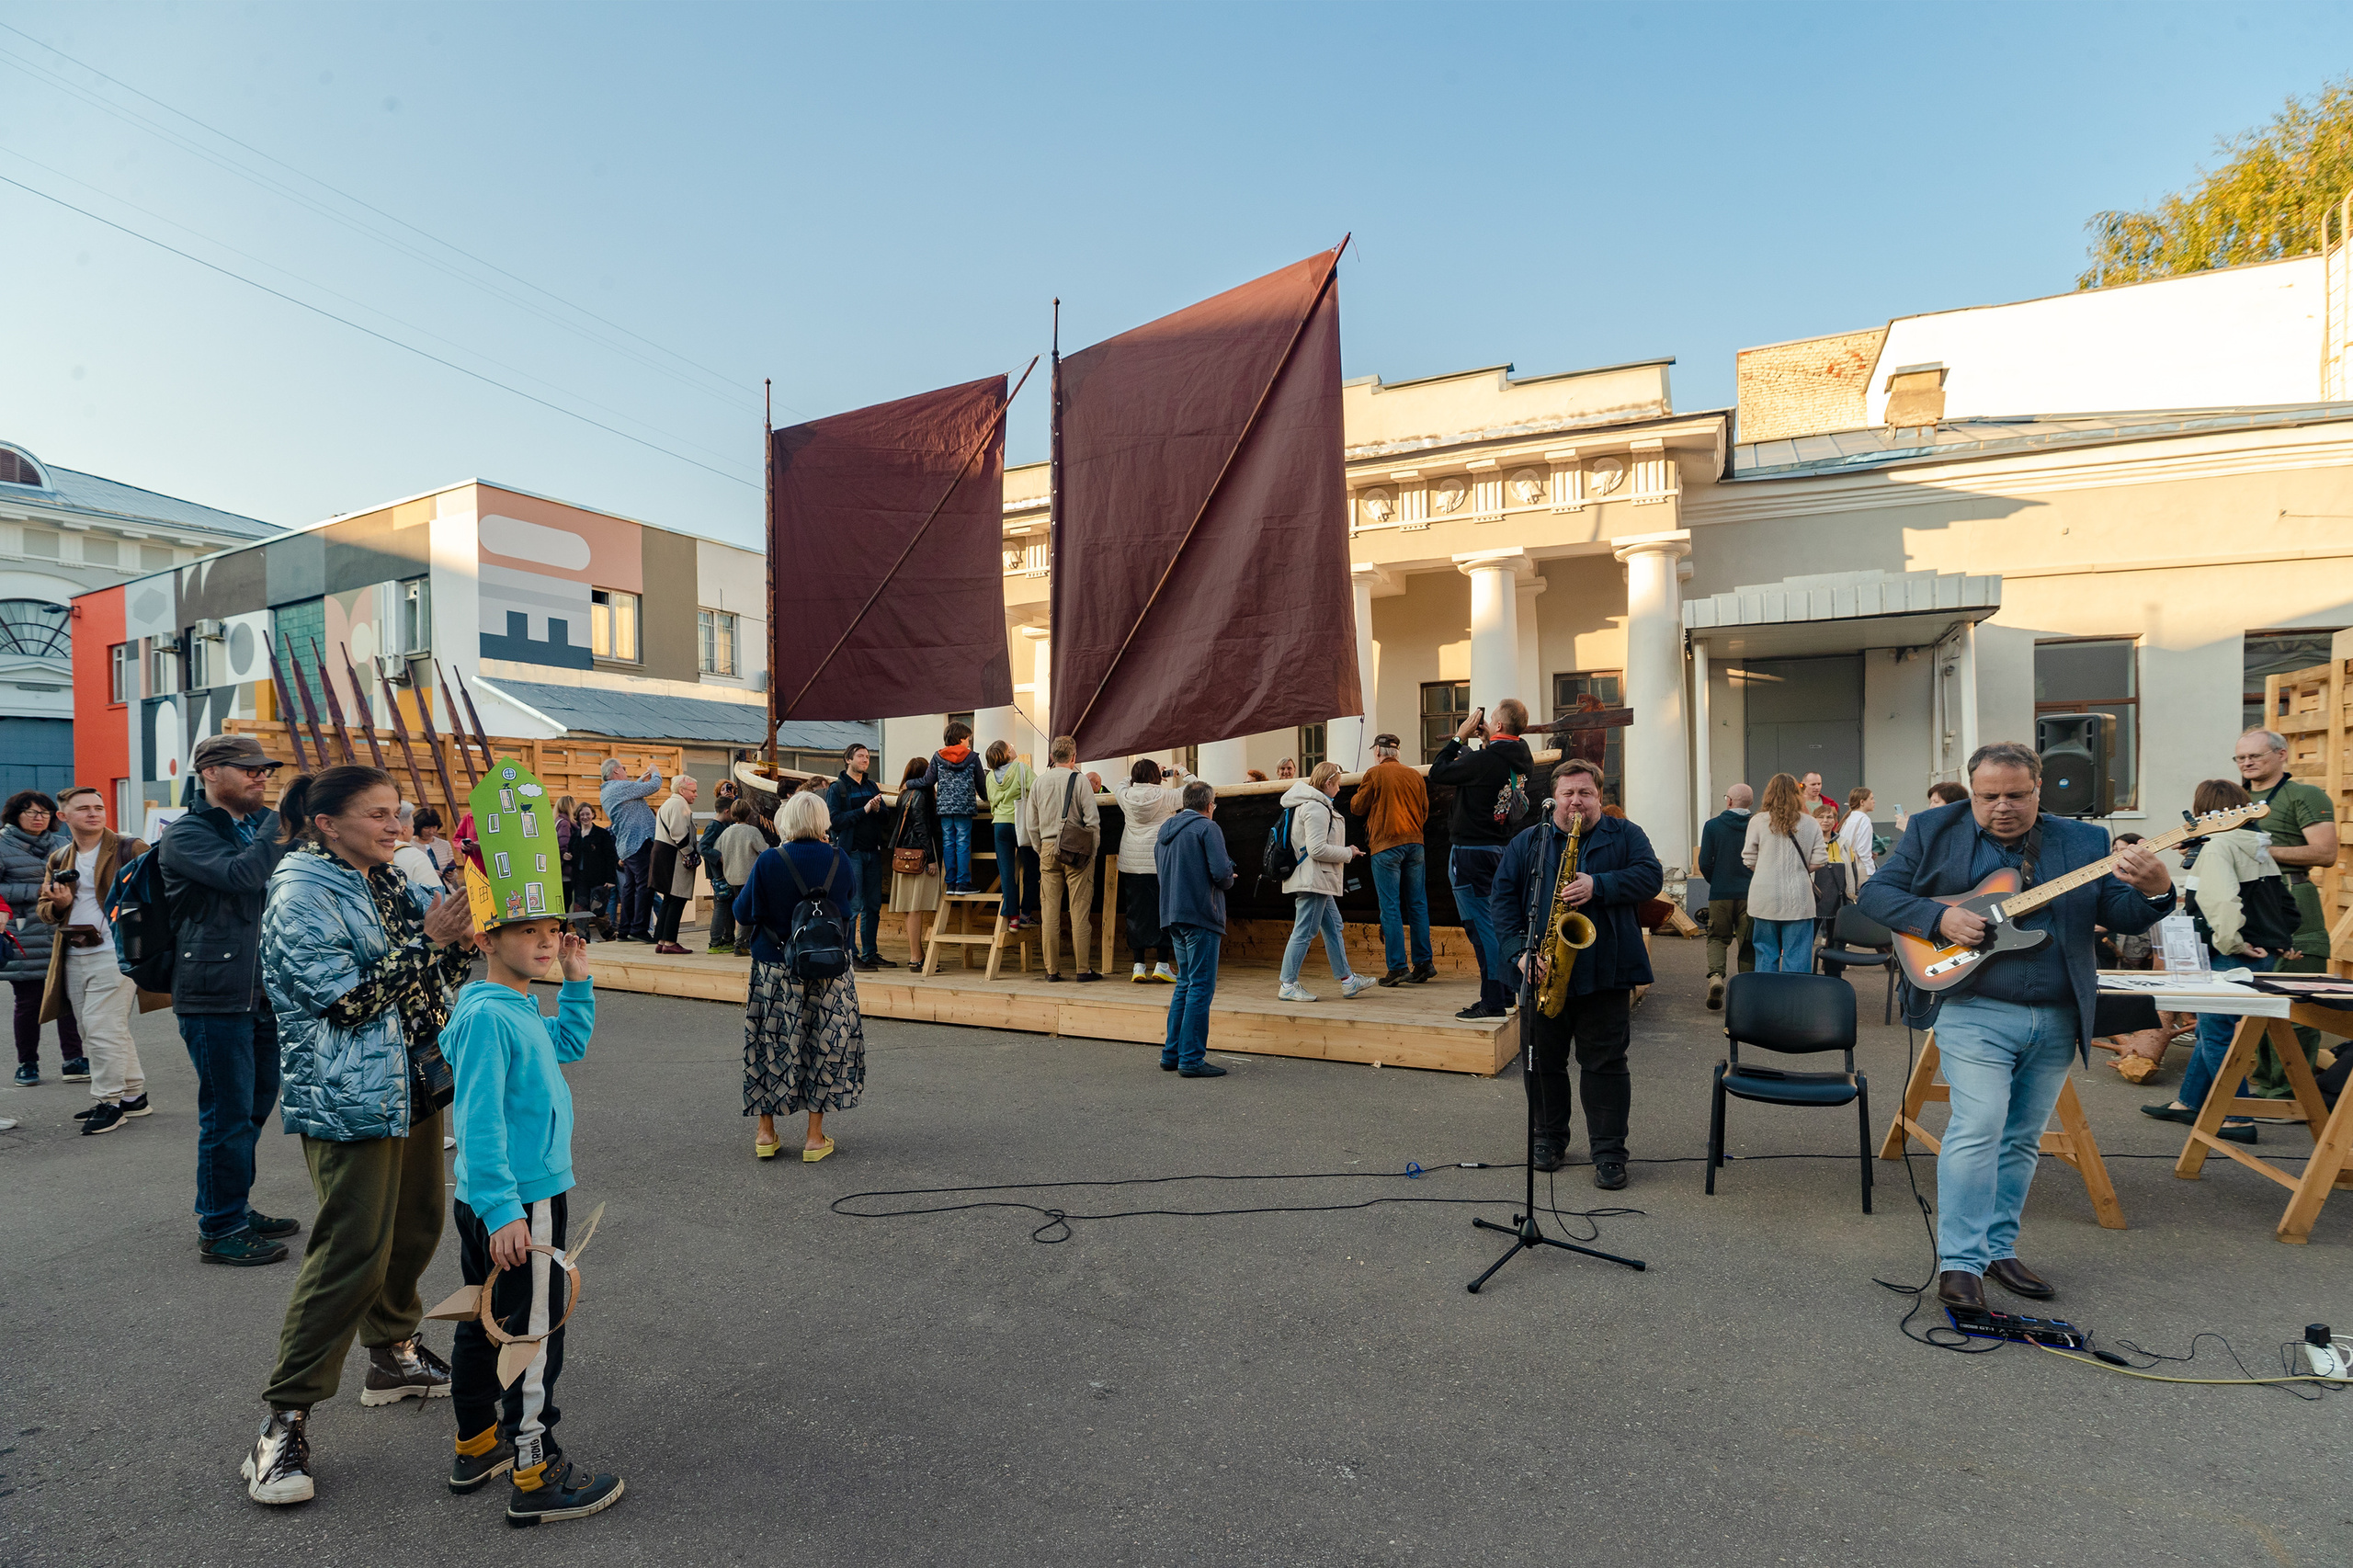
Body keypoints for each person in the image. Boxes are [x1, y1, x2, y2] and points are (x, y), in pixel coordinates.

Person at [1859, 742, 2175, 1312]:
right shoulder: (1933, 829)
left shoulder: (2083, 842)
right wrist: (1939, 917)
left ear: (2038, 789)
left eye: (2015, 795)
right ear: (1972, 791)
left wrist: (2156, 890)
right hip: (1973, 1007)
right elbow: (1876, 893)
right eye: (1988, 796)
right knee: (1978, 1125)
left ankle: (1997, 1249)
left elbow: (2120, 912)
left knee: (2022, 1138)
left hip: (2056, 1013)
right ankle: (1960, 1263)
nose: (2001, 806)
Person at [241, 764, 479, 1506]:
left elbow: (428, 978)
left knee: (416, 1225)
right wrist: (431, 944)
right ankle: (283, 1420)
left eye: (396, 812)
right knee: (351, 1249)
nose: (395, 826)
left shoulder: (387, 879)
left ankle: (393, 1353)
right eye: (378, 815)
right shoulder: (300, 892)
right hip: (350, 1093)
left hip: (413, 1081)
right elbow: (343, 1003)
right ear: (327, 824)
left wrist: (461, 940)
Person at [443, 903, 625, 1525]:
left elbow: (569, 1042)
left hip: (498, 1197)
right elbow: (476, 1119)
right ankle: (535, 1470)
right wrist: (503, 1211)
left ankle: (478, 1443)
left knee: (486, 1317)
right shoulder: (490, 1018)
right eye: (529, 932)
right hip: (520, 1201)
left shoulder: (509, 1006)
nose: (547, 943)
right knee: (534, 1332)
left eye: (553, 932)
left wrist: (576, 978)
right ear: (486, 939)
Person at [1490, 758, 1665, 1188]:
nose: (1576, 801)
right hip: (1541, 971)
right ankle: (1548, 1138)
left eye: (1585, 793)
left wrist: (1598, 885)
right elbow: (1502, 901)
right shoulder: (1528, 842)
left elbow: (1651, 877)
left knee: (1606, 1065)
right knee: (1542, 1064)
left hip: (1606, 972)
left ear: (1599, 797)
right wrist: (1519, 953)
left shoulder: (1626, 835)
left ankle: (1609, 1152)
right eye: (1568, 793)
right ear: (1554, 798)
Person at [161, 733, 301, 1266]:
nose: (261, 777)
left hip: (263, 991)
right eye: (249, 769)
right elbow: (242, 876)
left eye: (265, 770)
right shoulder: (188, 833)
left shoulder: (255, 827)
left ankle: (234, 1204)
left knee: (254, 1108)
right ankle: (220, 1227)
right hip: (213, 995)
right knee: (227, 1114)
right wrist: (278, 823)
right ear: (211, 773)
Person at [2141, 778, 2292, 1143]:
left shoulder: (2219, 847)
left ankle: (2238, 1117)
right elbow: (2283, 902)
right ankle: (2189, 1102)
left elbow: (2221, 903)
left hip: (2230, 954)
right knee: (2212, 1030)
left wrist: (2234, 943)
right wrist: (2282, 941)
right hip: (2260, 953)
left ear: (2202, 811)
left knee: (2215, 1033)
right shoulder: (2258, 846)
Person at [735, 790, 865, 1162]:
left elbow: (743, 913)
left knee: (770, 1043)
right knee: (824, 1043)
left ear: (787, 821)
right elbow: (849, 902)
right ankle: (814, 1137)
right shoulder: (839, 859)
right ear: (823, 821)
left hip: (775, 967)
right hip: (829, 968)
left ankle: (766, 1133)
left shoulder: (770, 860)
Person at [34, 785, 154, 1134]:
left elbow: (159, 897)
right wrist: (60, 904)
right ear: (63, 816)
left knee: (102, 1027)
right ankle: (133, 1095)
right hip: (74, 951)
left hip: (118, 951)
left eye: (98, 807)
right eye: (84, 808)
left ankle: (109, 1102)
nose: (94, 813)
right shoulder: (60, 858)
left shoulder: (131, 848)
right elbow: (43, 909)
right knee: (97, 1028)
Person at [2232, 726, 2340, 1102]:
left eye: (2255, 756)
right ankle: (2266, 1085)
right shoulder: (2236, 798)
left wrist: (2259, 850)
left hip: (2292, 898)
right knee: (2255, 996)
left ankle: (2292, 1092)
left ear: (2281, 755)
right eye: (2240, 757)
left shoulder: (2304, 795)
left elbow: (2325, 853)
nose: (2246, 763)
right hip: (2246, 901)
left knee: (2297, 998)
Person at [1428, 698, 1539, 1020]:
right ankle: (1506, 991)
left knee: (1481, 927)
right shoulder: (1523, 758)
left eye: (1492, 719)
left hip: (1470, 852)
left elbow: (1439, 771)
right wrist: (1488, 741)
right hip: (1501, 849)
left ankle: (1492, 1000)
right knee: (1499, 923)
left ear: (1499, 724)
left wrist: (1458, 737)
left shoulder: (1484, 760)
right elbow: (1496, 767)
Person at [4, 790, 84, 1085]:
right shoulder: (2, 845)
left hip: (63, 929)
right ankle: (27, 1063)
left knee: (69, 998)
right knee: (29, 1003)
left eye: (45, 813)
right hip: (25, 933)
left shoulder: (64, 844)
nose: (39, 818)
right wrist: (36, 891)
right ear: (16, 815)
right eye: (31, 812)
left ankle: (74, 1060)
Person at [1277, 761, 1372, 1003]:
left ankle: (1348, 980)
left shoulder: (1308, 804)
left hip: (1316, 878)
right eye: (1337, 784)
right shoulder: (1316, 807)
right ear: (1328, 783)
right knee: (1304, 931)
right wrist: (1348, 852)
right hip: (1314, 879)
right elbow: (1317, 849)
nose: (1339, 789)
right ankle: (1287, 984)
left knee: (1333, 926)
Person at [1156, 780, 1234, 1076]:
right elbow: (1221, 873)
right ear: (1209, 805)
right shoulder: (1207, 828)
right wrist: (1229, 876)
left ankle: (1172, 1054)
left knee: (1185, 983)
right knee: (1200, 986)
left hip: (1172, 913)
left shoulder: (1166, 829)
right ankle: (1191, 1059)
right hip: (1201, 913)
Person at [1352, 733, 1434, 988]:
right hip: (1415, 843)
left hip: (1386, 845)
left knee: (1390, 907)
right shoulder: (1414, 775)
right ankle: (1424, 963)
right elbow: (1424, 811)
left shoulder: (1374, 774)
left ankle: (1398, 967)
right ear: (1397, 752)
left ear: (1378, 752)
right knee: (1418, 904)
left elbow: (1357, 807)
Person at [1026, 735, 1102, 983]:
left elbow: (1031, 824)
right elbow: (1092, 822)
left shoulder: (1039, 782)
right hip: (1076, 851)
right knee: (1079, 912)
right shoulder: (1079, 781)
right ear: (1074, 757)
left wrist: (1040, 849)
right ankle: (1083, 969)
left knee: (1049, 914)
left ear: (1051, 757)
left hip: (1048, 848)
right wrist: (1092, 852)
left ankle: (1051, 971)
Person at [1741, 773, 1826, 974]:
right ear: (1797, 794)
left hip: (1764, 897)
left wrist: (1767, 869)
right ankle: (1795, 992)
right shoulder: (1810, 823)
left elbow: (1749, 859)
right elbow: (1820, 859)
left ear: (1769, 794)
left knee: (1765, 951)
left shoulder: (1758, 821)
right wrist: (1798, 869)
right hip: (1800, 898)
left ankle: (1767, 992)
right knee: (1798, 953)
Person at [1115, 759, 1187, 983]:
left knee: (1135, 913)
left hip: (1132, 864)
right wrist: (1181, 771)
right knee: (1162, 913)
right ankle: (1162, 965)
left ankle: (1138, 966)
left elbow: (1120, 784)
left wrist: (1139, 776)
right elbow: (1200, 789)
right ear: (1157, 776)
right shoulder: (1167, 797)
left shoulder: (1125, 795)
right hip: (1159, 863)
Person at [825, 744, 893, 971]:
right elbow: (834, 821)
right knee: (853, 906)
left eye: (868, 757)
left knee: (873, 905)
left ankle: (870, 953)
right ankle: (851, 954)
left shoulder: (872, 785)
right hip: (851, 853)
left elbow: (885, 818)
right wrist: (863, 810)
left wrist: (878, 809)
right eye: (861, 756)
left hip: (873, 851)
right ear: (848, 759)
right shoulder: (838, 788)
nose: (865, 760)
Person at [1695, 783, 1756, 1009]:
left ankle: (1716, 977)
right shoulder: (1758, 825)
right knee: (1748, 943)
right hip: (1751, 894)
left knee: (1717, 938)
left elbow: (1704, 862)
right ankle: (1747, 991)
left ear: (1729, 801)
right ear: (1750, 803)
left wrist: (1717, 880)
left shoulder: (1713, 826)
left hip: (1720, 893)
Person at [913, 722, 985, 893]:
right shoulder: (972, 757)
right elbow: (981, 785)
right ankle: (963, 883)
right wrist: (988, 798)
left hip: (945, 808)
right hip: (964, 808)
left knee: (948, 843)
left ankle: (950, 884)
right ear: (961, 739)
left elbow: (928, 781)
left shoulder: (938, 757)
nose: (968, 742)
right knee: (962, 843)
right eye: (967, 739)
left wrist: (909, 783)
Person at [887, 756, 942, 971]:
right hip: (919, 856)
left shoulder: (904, 794)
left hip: (904, 855)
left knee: (910, 909)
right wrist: (932, 859)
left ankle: (917, 955)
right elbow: (921, 827)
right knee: (915, 908)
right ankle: (916, 957)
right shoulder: (921, 795)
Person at [598, 759, 663, 942]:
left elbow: (631, 794)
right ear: (616, 770)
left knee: (630, 888)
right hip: (638, 842)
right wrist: (655, 771)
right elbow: (654, 786)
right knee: (645, 886)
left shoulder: (609, 790)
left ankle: (625, 930)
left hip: (628, 845)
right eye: (624, 768)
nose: (626, 771)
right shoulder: (619, 787)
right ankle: (639, 928)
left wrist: (639, 781)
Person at [984, 740, 1038, 930]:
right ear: (1007, 754)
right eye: (1010, 747)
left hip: (1000, 825)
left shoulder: (990, 777)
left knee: (1006, 872)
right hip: (1021, 823)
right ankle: (1026, 915)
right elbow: (1038, 790)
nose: (1014, 748)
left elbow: (992, 802)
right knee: (1031, 869)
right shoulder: (1022, 769)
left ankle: (1013, 918)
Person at [648, 773, 699, 955]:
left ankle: (662, 940)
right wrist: (691, 854)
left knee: (669, 899)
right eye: (693, 791)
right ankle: (670, 942)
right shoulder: (679, 804)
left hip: (663, 852)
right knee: (677, 898)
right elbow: (679, 833)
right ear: (682, 790)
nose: (696, 794)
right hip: (673, 856)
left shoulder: (668, 803)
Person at [710, 801, 767, 958]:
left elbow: (717, 850)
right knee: (750, 910)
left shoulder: (726, 832)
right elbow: (764, 850)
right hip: (748, 877)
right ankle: (741, 943)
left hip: (731, 877)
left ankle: (741, 941)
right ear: (748, 814)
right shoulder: (752, 831)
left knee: (741, 909)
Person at [566, 804, 618, 938]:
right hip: (580, 879)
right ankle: (582, 939)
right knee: (580, 911)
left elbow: (611, 857)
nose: (585, 817)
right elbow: (572, 855)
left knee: (597, 910)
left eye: (587, 814)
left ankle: (609, 935)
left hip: (599, 879)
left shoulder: (602, 834)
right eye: (582, 814)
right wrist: (567, 857)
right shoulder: (575, 836)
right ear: (578, 816)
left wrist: (611, 879)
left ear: (593, 815)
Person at [1838, 787, 1879, 881]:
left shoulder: (1848, 818)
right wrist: (1871, 869)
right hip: (1860, 868)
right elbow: (1863, 850)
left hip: (1847, 865)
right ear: (1862, 802)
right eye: (1871, 798)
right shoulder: (1864, 820)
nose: (1874, 801)